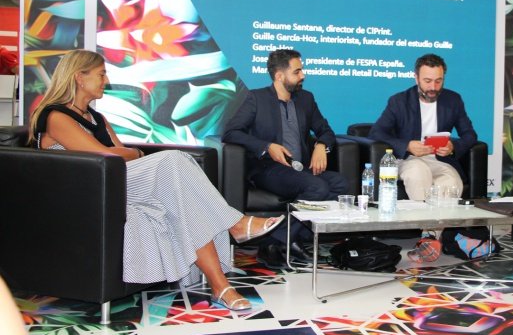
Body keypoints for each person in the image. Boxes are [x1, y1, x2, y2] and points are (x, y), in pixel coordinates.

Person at [28, 50, 284, 311]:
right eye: (101, 74)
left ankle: (221, 286)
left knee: (186, 203)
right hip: (90, 191)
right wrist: (132, 153)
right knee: (172, 159)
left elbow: (119, 153)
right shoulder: (55, 116)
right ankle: (235, 222)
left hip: (117, 180)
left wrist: (128, 153)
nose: (106, 80)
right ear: (79, 78)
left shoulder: (97, 118)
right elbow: (105, 154)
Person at [222, 49, 348, 267]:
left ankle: (275, 241)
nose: (303, 75)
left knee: (341, 184)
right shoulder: (256, 99)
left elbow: (325, 130)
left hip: (301, 169)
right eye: (297, 71)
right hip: (269, 169)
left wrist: (320, 145)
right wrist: (266, 146)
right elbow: (231, 132)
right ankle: (289, 241)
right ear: (280, 76)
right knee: (318, 188)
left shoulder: (306, 99)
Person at [369, 53, 478, 200]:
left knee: (451, 182)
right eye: (427, 81)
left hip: (439, 160)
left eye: (438, 81)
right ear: (416, 78)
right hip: (407, 159)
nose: (433, 87)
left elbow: (469, 135)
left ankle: (438, 224)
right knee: (418, 172)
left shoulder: (453, 100)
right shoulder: (399, 101)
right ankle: (424, 222)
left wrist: (453, 146)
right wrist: (407, 145)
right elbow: (376, 133)